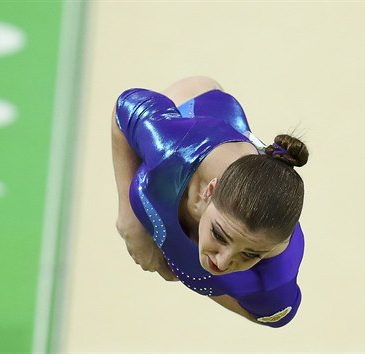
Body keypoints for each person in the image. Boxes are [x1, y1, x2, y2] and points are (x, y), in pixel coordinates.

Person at [111, 76, 308, 327]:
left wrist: (196, 278)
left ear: (271, 248)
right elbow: (123, 107)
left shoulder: (273, 284)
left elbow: (271, 316)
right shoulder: (172, 149)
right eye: (220, 235)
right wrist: (130, 222)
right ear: (210, 190)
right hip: (200, 107)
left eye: (250, 254)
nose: (223, 261)